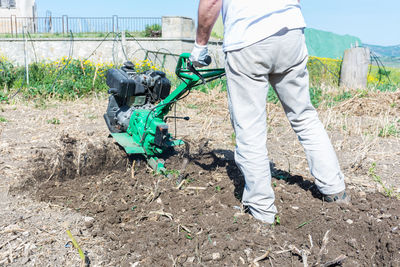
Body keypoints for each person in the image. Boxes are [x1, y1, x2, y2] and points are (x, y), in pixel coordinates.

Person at [190, 0, 349, 224]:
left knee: (249, 128)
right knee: (304, 116)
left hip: (247, 37)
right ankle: (335, 190)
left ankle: (261, 210)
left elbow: (212, 2)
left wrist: (200, 46)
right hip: (290, 32)